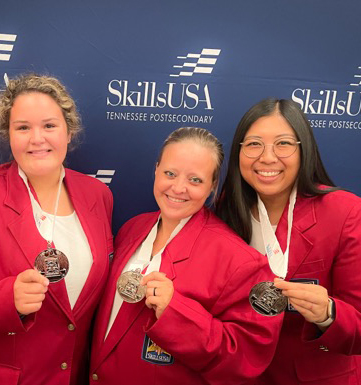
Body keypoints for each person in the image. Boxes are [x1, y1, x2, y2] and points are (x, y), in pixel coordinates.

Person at [0, 74, 114, 385]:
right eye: (23, 127)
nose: (37, 138)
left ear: (68, 132)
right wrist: (6, 299)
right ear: (9, 134)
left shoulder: (98, 195)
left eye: (49, 126)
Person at [90, 127, 281, 384]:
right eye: (170, 173)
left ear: (212, 186)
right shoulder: (132, 229)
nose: (178, 188)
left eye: (195, 180)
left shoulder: (241, 261)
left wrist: (176, 313)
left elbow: (247, 358)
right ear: (156, 169)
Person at [216, 98, 361, 384]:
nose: (267, 157)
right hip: (240, 374)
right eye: (254, 144)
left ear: (303, 149)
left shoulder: (346, 212)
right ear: (239, 152)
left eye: (283, 143)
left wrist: (329, 314)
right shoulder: (225, 211)